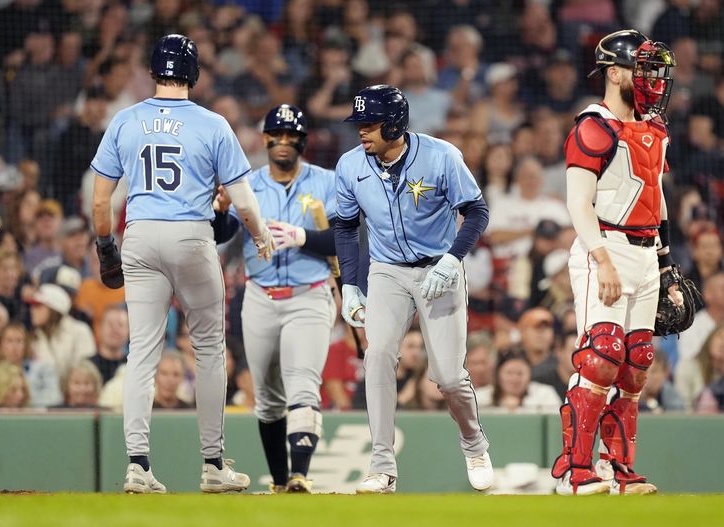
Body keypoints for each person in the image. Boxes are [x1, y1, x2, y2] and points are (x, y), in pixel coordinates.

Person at [89, 34, 274, 495]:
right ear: (193, 73)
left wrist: (104, 247)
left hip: (140, 233)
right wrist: (260, 233)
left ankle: (137, 465)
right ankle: (212, 466)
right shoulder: (212, 123)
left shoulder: (125, 120)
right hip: (191, 235)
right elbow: (244, 198)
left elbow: (100, 200)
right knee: (210, 348)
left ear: (154, 71)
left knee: (141, 353)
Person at [334, 84, 493, 494]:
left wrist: (453, 258)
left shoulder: (441, 156)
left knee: (448, 377)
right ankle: (382, 466)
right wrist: (349, 286)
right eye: (360, 124)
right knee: (378, 356)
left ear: (394, 123)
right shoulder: (350, 165)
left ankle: (474, 443)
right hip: (386, 271)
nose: (361, 132)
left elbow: (476, 210)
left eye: (369, 124)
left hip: (439, 269)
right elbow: (346, 227)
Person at [551, 30, 681, 496]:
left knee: (636, 365)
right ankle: (576, 471)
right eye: (641, 67)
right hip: (603, 246)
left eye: (653, 68)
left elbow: (657, 198)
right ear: (613, 72)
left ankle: (619, 470)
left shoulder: (656, 127)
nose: (650, 77)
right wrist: (602, 259)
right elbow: (578, 203)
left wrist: (666, 265)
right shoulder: (594, 125)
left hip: (645, 254)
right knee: (601, 356)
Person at [211, 104, 337, 494]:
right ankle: (281, 483)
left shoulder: (328, 183)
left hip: (309, 294)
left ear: (303, 140)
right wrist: (219, 212)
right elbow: (221, 235)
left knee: (303, 386)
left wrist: (303, 238)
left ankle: (299, 474)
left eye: (291, 134)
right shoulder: (246, 183)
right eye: (276, 134)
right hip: (261, 296)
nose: (283, 141)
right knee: (266, 397)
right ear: (264, 138)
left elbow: (344, 240)